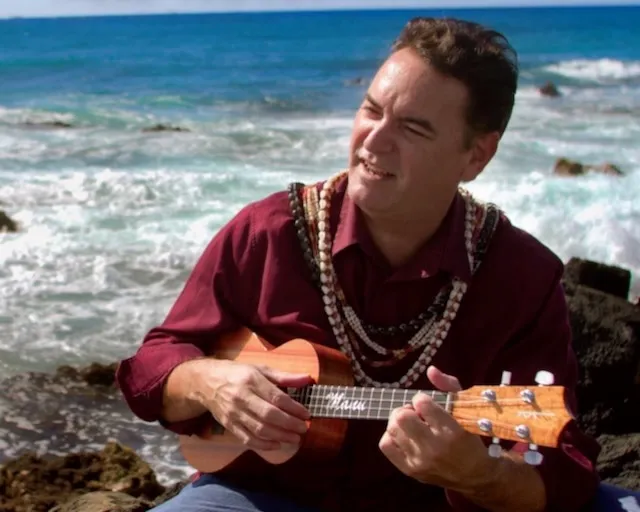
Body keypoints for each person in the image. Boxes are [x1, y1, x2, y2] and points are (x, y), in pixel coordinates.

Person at [115, 17, 636, 512]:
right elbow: (153, 365)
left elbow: (564, 476)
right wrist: (212, 383)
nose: (375, 140)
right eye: (371, 109)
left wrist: (477, 474)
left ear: (476, 155)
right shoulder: (269, 231)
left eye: (413, 128)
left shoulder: (520, 276)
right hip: (255, 496)